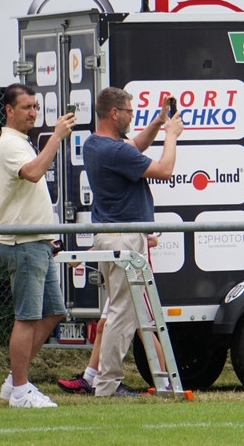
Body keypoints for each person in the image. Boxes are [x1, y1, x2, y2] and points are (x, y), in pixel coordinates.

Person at [82, 87, 183, 397]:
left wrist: (158, 121)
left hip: (113, 237)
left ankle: (108, 381)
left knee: (123, 311)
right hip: (124, 239)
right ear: (115, 113)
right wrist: (171, 135)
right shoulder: (115, 151)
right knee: (122, 314)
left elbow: (135, 146)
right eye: (129, 112)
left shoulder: (94, 144)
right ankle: (108, 385)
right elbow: (164, 170)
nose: (132, 117)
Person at [0, 83, 75, 409]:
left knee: (54, 312)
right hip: (23, 243)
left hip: (37, 241)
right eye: (26, 107)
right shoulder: (11, 143)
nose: (33, 113)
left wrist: (46, 236)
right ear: (9, 110)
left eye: (35, 107)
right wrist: (56, 137)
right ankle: (20, 391)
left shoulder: (21, 141)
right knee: (27, 318)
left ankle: (15, 380)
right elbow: (34, 173)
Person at [57, 235, 168, 396]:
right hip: (120, 277)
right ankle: (89, 378)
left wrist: (84, 256)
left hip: (134, 277)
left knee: (144, 330)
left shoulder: (132, 224)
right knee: (103, 326)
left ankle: (164, 384)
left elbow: (153, 240)